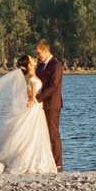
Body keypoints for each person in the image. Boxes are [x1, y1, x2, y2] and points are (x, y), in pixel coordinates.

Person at [33, 37, 64, 171]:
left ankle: (58, 164)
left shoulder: (56, 66)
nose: (37, 56)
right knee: (42, 134)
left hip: (52, 104)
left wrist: (38, 98)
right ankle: (47, 161)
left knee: (53, 134)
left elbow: (54, 86)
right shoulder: (40, 66)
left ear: (46, 51)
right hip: (40, 105)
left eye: (39, 53)